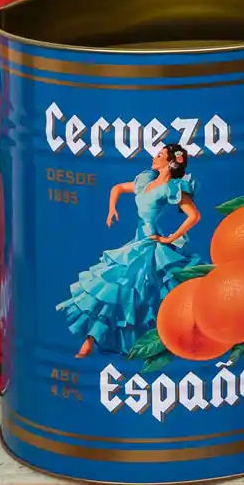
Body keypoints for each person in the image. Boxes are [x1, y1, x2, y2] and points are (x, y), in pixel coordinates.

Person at [58, 144, 205, 358]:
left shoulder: (172, 188)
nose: (155, 158)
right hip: (138, 241)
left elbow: (194, 216)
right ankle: (91, 340)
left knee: (152, 293)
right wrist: (111, 210)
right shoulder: (145, 181)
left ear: (171, 162)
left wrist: (170, 238)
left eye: (160, 155)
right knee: (113, 288)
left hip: (152, 244)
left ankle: (174, 340)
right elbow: (117, 188)